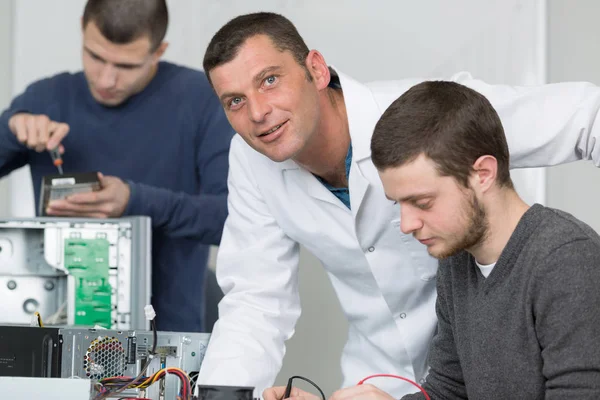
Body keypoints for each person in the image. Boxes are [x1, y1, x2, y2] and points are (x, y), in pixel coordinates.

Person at [196, 12, 600, 398]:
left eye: (269, 80)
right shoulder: (251, 160)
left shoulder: (426, 116)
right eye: (234, 101)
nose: (258, 113)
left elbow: (587, 116)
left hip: (480, 371)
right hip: (382, 382)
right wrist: (222, 394)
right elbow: (255, 299)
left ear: (316, 69)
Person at [329, 81, 600, 400]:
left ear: (483, 174)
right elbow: (449, 390)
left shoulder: (565, 258)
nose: (406, 225)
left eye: (423, 202)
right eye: (397, 203)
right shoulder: (456, 258)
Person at [0, 0, 234, 332]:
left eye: (126, 66)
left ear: (158, 50)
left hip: (165, 344)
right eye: (95, 56)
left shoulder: (202, 101)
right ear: (82, 28)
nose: (106, 79)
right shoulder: (45, 99)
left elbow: (231, 220)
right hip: (50, 337)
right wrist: (10, 131)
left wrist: (133, 201)